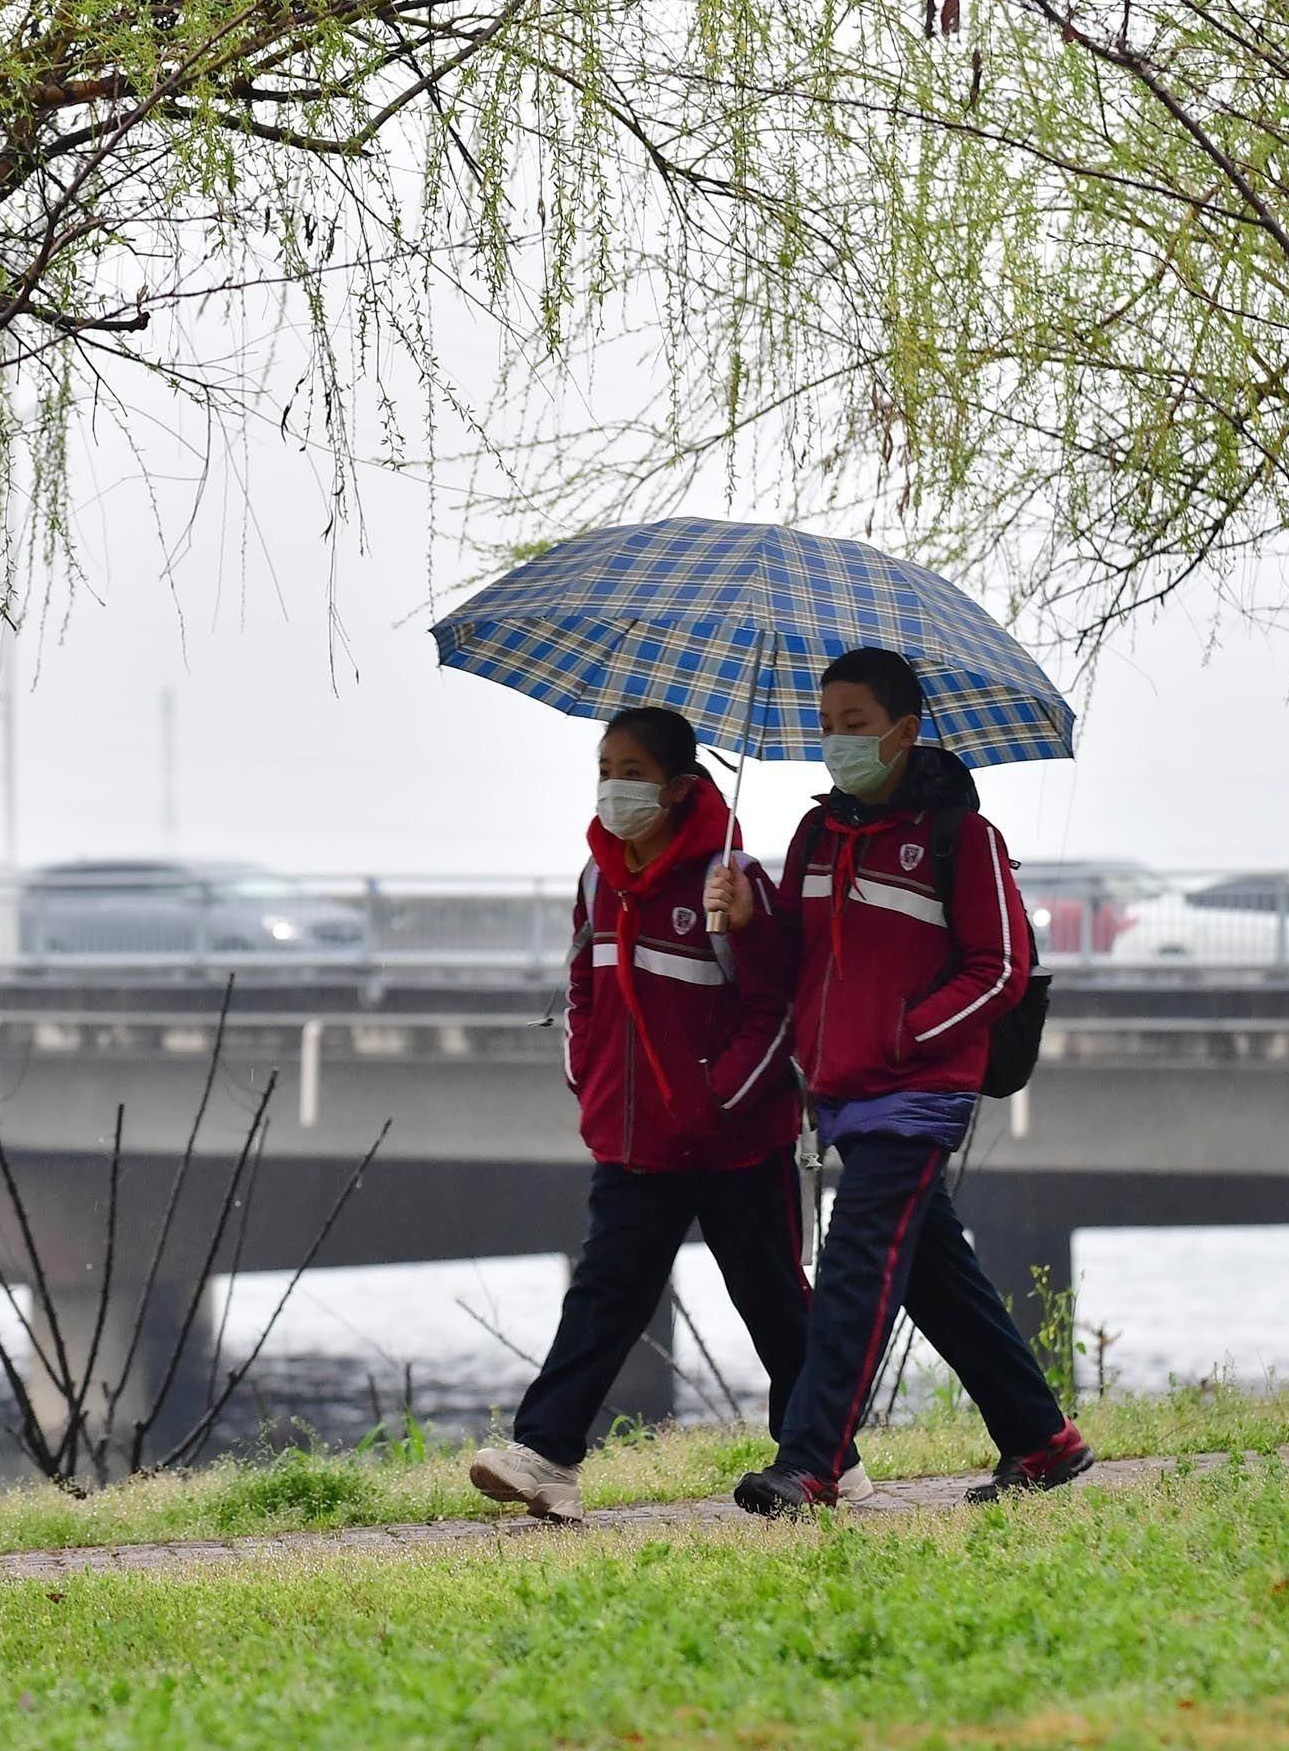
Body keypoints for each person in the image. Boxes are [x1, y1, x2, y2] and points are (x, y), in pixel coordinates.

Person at [706, 646, 1092, 1513]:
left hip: (919, 1096)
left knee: (854, 1263)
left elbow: (1000, 969)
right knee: (928, 1273)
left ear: (904, 732)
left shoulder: (963, 839)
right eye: (826, 726)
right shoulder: (815, 835)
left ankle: (810, 1463)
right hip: (845, 1094)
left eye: (856, 725)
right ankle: (1042, 1438)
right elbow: (793, 963)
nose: (837, 742)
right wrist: (746, 914)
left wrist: (903, 1033)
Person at [468, 705, 868, 1522]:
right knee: (605, 1295)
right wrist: (590, 1077)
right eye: (605, 771)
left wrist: (719, 1092)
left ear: (681, 787)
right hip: (634, 1144)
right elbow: (583, 992)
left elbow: (778, 1006)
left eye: (633, 774)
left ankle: (832, 1460)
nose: (614, 788)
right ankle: (547, 1457)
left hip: (734, 1145)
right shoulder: (596, 882)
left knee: (773, 1303)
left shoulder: (734, 880)